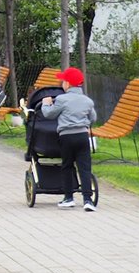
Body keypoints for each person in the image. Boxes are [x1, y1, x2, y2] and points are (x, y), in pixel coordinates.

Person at [41, 67, 98, 211]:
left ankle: (69, 198)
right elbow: (93, 118)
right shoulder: (87, 101)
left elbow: (49, 114)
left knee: (67, 166)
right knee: (84, 168)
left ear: (68, 84)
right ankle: (87, 200)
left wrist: (46, 103)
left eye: (63, 81)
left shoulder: (61, 99)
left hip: (66, 136)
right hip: (82, 136)